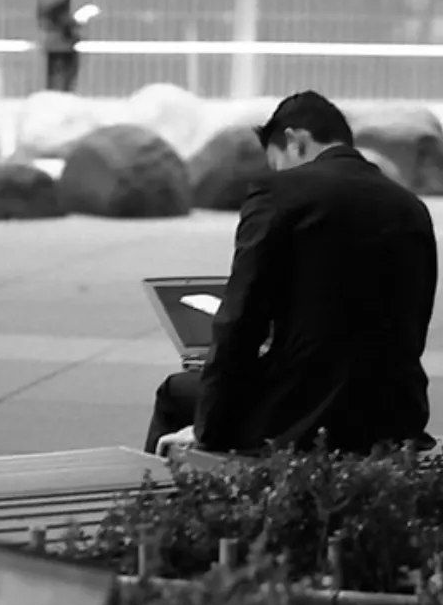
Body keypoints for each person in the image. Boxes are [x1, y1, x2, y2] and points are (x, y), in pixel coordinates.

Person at [145, 91, 438, 458]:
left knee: (176, 392)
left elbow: (240, 320)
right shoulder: (411, 207)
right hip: (394, 415)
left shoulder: (279, 193)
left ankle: (171, 510)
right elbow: (411, 324)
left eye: (277, 162)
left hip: (301, 415)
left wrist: (208, 432)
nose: (278, 173)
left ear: (294, 141)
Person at [36, 0, 81, 93]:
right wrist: (77, 22)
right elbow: (62, 20)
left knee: (52, 79)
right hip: (63, 44)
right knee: (63, 83)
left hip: (49, 42)